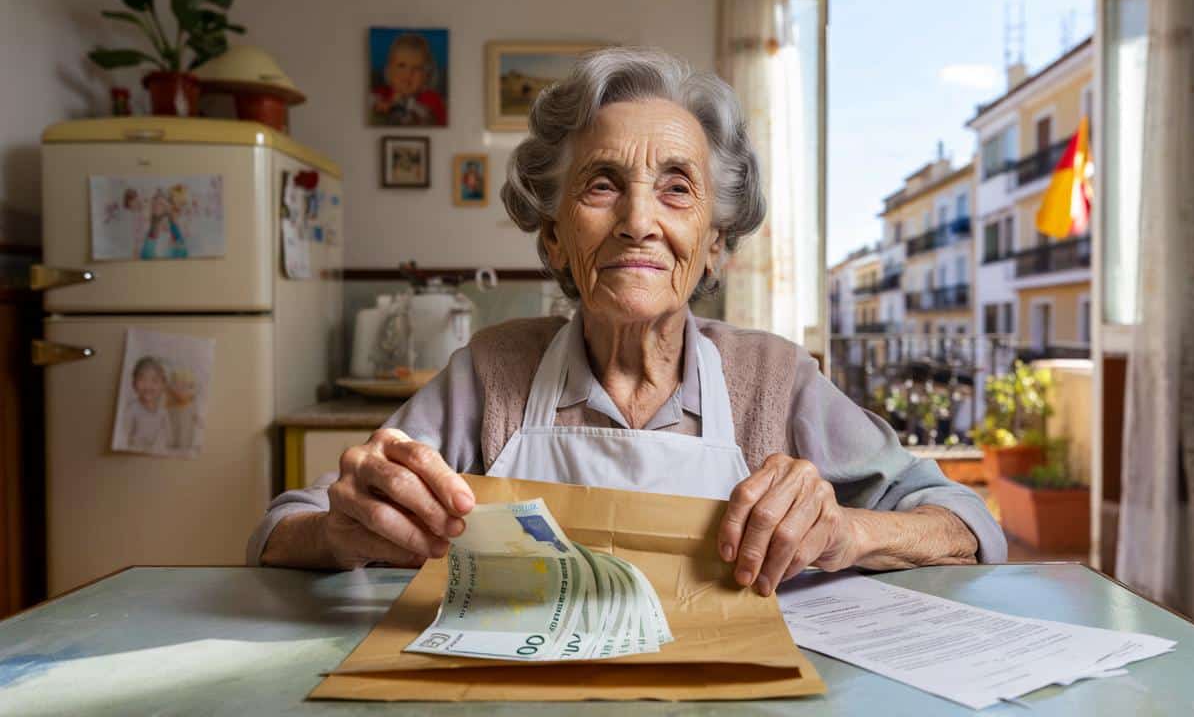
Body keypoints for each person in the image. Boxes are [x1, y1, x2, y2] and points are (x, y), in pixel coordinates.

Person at [253, 47, 1005, 596]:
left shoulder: (773, 380)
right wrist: (339, 529)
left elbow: (967, 522)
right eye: (603, 184)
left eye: (677, 189)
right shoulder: (491, 371)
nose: (639, 220)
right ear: (553, 235)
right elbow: (283, 524)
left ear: (713, 244)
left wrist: (849, 530)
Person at [371, 33, 448, 126]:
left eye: (417, 68)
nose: (408, 73)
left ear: (426, 76)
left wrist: (425, 116)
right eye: (401, 65)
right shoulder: (380, 94)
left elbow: (441, 125)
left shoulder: (433, 100)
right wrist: (386, 105)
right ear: (389, 71)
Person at [122, 356, 172, 453]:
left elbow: (169, 439)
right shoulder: (131, 410)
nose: (148, 385)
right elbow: (124, 436)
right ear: (133, 383)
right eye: (142, 379)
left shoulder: (163, 412)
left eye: (155, 381)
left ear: (163, 385)